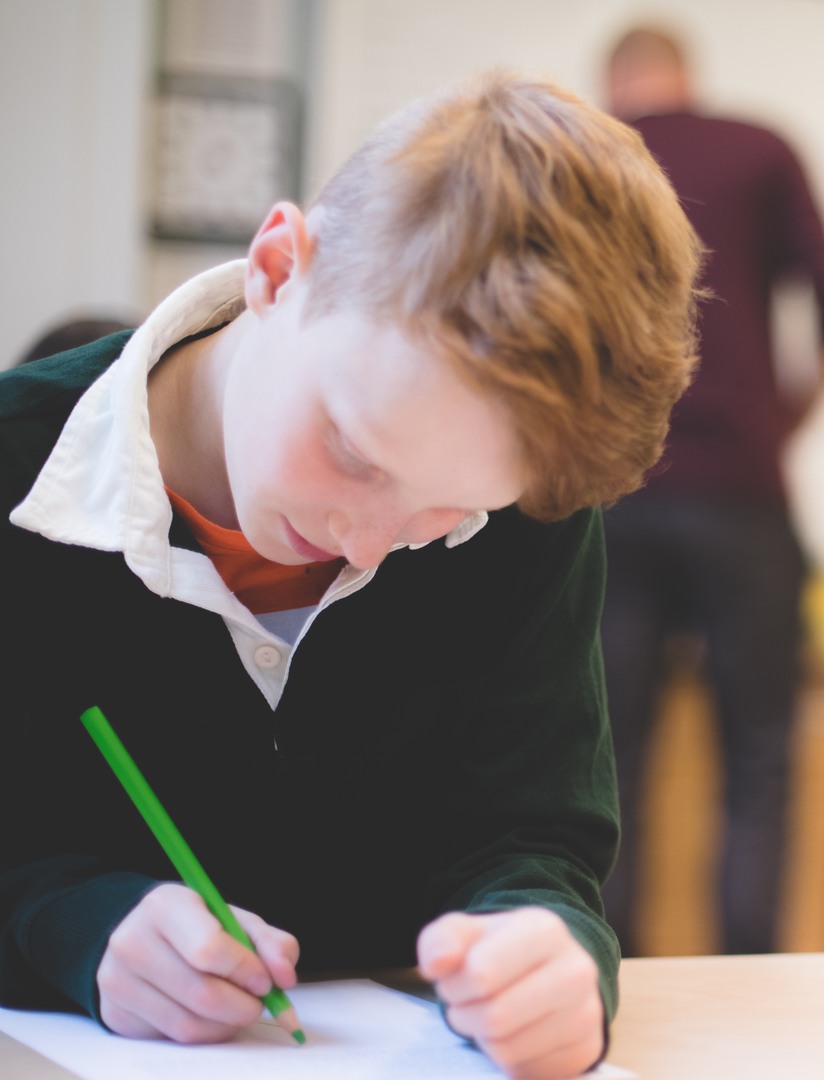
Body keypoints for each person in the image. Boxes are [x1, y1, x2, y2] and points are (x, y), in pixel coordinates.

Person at [0, 71, 700, 1080]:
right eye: (356, 455)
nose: (368, 545)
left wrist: (548, 945)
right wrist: (67, 925)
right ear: (279, 268)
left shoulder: (525, 513)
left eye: (451, 511)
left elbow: (532, 833)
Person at [598, 25, 824, 957]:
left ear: (614, 83)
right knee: (758, 756)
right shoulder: (762, 148)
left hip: (613, 492)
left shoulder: (596, 153)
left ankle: (600, 968)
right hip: (742, 499)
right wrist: (778, 427)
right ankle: (752, 980)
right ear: (688, 78)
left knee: (611, 756)